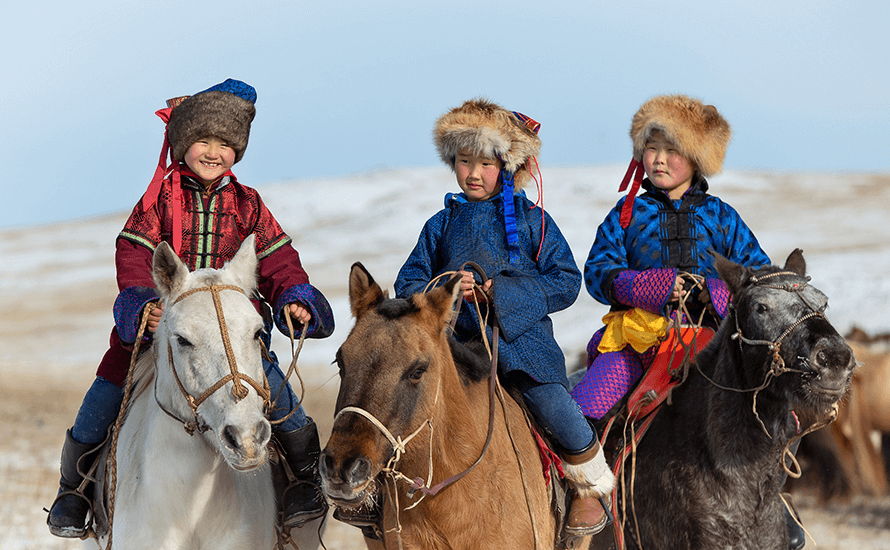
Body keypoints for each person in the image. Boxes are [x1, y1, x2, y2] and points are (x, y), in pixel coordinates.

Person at [47, 79, 335, 538]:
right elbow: (135, 255)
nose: (214, 152)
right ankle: (74, 491)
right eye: (204, 140)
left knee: (283, 402)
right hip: (163, 329)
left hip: (231, 338)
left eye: (226, 144)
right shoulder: (158, 200)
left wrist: (294, 297)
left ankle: (303, 483)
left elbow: (278, 261)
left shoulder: (249, 204)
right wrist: (142, 303)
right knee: (104, 394)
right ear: (183, 144)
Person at [569, 95, 803, 549]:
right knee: (583, 409)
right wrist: (647, 287)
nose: (657, 159)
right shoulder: (627, 213)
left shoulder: (723, 218)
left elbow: (755, 277)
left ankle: (774, 506)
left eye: (670, 149)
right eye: (650, 148)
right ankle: (586, 504)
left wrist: (715, 293)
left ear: (695, 159)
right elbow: (598, 274)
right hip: (637, 342)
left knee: (780, 416)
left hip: (714, 343)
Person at [394, 98, 614, 537]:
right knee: (399, 403)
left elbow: (565, 281)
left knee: (553, 404)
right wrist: (444, 288)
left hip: (522, 348)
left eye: (484, 163)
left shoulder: (534, 222)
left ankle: (589, 488)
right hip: (455, 349)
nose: (472, 173)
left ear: (507, 165)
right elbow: (408, 283)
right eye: (463, 161)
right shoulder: (440, 225)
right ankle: (382, 492)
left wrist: (499, 292)